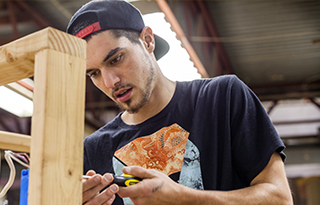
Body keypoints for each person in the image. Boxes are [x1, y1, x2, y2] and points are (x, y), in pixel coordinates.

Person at [67, 0, 293, 204]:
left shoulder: (222, 99)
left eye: (116, 59)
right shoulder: (93, 149)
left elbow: (280, 199)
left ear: (147, 40)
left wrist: (183, 198)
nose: (109, 82)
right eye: (94, 73)